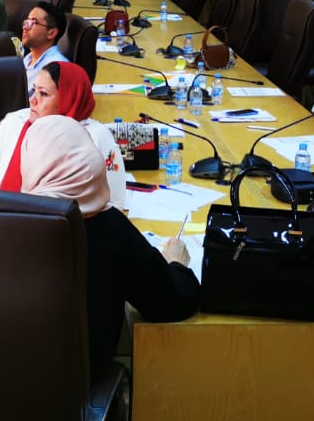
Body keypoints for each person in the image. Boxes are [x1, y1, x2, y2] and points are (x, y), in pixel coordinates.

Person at [19, 115, 199, 372]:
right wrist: (176, 264)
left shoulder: (3, 227)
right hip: (84, 384)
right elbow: (171, 304)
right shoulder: (109, 226)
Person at [0, 59, 126, 207]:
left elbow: (115, 204)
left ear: (68, 98)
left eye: (43, 94)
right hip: (1, 225)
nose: (32, 100)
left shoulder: (96, 137)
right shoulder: (15, 122)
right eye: (34, 90)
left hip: (63, 233)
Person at [22, 0, 67, 88]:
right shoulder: (28, 59)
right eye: (27, 22)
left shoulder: (57, 67)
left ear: (51, 33)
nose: (25, 27)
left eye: (34, 23)